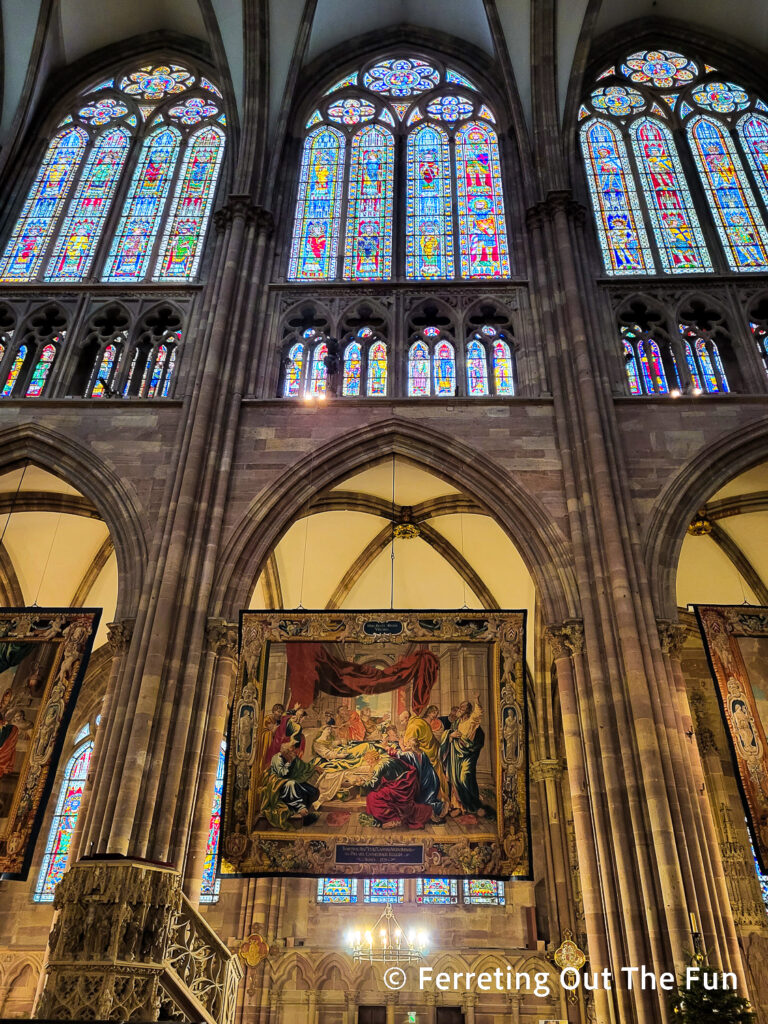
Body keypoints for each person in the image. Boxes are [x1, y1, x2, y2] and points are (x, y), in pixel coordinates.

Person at [442, 695, 486, 817]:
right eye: (459, 708)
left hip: (467, 754)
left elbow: (478, 713)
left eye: (462, 708)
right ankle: (458, 806)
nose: (459, 710)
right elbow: (448, 734)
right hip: (455, 755)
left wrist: (477, 700)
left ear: (467, 711)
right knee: (455, 780)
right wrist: (451, 736)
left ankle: (471, 804)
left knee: (464, 778)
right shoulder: (456, 723)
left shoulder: (471, 720)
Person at [260, 741, 319, 829]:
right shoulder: (277, 758)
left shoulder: (292, 757)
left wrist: (314, 767)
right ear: (285, 752)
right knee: (291, 784)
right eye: (290, 751)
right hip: (278, 782)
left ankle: (306, 814)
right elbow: (282, 773)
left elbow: (303, 766)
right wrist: (288, 763)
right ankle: (300, 808)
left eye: (293, 750)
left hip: (290, 780)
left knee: (312, 791)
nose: (293, 752)